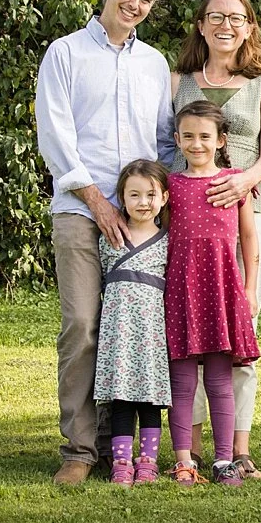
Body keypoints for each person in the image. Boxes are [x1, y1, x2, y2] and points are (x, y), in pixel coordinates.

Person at [35, 0, 174, 485]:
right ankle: (79, 448)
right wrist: (97, 200)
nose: (135, 4)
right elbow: (55, 135)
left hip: (140, 222)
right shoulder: (64, 53)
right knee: (84, 325)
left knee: (137, 328)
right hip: (80, 208)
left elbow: (164, 143)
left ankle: (125, 442)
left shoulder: (154, 64)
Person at [172, 0, 261, 481]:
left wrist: (241, 181)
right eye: (216, 17)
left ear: (249, 27)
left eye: (236, 18)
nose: (225, 26)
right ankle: (192, 451)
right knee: (190, 331)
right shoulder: (178, 80)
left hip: (244, 215)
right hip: (188, 222)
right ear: (201, 24)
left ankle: (237, 448)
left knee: (239, 332)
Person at [164, 100, 261, 487]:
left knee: (220, 381)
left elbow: (249, 238)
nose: (196, 144)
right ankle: (184, 460)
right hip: (181, 292)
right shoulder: (170, 186)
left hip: (222, 292)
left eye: (205, 136)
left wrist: (250, 288)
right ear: (176, 140)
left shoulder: (235, 182)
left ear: (221, 140)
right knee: (182, 382)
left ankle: (224, 461)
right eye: (188, 136)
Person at [95, 160, 173, 487]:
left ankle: (148, 461)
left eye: (150, 194)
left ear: (164, 198)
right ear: (121, 199)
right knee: (122, 398)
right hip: (119, 335)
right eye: (134, 195)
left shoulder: (169, 241)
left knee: (150, 399)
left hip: (152, 336)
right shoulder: (110, 239)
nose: (143, 202)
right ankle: (122, 462)